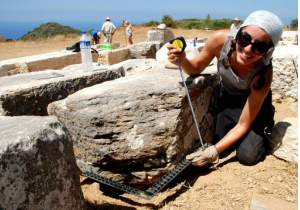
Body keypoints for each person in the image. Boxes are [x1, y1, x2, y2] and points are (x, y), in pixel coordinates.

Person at [167, 10, 283, 167]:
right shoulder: (219, 41)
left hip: (254, 106)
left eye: (259, 46)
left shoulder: (263, 75)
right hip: (229, 99)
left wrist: (213, 151)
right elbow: (195, 69)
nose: (248, 49)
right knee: (222, 146)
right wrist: (182, 60)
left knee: (247, 156)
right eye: (245, 38)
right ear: (238, 33)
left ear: (267, 51)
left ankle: (265, 122)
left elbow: (243, 124)